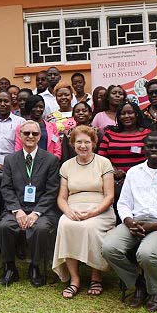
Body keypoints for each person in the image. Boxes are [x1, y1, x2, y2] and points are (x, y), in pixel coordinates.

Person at [102, 131, 157, 312]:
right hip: (135, 222)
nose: (154, 149)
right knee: (109, 248)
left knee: (146, 253)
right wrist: (128, 221)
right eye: (150, 146)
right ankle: (138, 283)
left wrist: (155, 226)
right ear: (144, 149)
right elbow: (124, 203)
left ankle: (155, 290)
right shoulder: (134, 172)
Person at [52, 125, 116, 299]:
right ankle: (75, 279)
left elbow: (109, 196)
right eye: (78, 142)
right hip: (74, 208)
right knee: (65, 224)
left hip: (100, 209)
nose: (83, 146)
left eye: (87, 142)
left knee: (90, 227)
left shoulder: (104, 163)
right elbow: (61, 198)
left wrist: (93, 212)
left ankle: (96, 276)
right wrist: (68, 211)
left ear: (94, 143)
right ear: (72, 144)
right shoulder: (66, 166)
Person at [0, 120, 60, 287]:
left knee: (39, 228)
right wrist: (17, 211)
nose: (30, 136)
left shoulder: (51, 160)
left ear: (40, 136)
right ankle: (10, 267)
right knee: (5, 226)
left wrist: (36, 213)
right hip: (16, 208)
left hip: (42, 210)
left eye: (35, 133)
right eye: (26, 133)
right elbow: (6, 188)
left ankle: (35, 266)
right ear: (20, 135)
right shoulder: (10, 159)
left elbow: (52, 191)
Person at [98, 101, 150, 189]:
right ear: (118, 116)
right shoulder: (110, 134)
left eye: (130, 113)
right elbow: (101, 158)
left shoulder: (147, 134)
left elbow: (152, 157)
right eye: (123, 114)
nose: (126, 116)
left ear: (137, 114)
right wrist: (114, 171)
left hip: (141, 181)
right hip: (115, 182)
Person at [0, 92, 25, 171]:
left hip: (14, 167)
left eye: (6, 101)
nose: (2, 104)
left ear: (12, 102)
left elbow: (23, 146)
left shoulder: (20, 122)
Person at [15, 95, 61, 160]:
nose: (38, 109)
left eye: (41, 107)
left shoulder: (52, 127)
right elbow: (18, 149)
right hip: (28, 164)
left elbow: (57, 150)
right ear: (29, 108)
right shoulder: (21, 128)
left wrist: (50, 162)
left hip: (48, 164)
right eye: (35, 107)